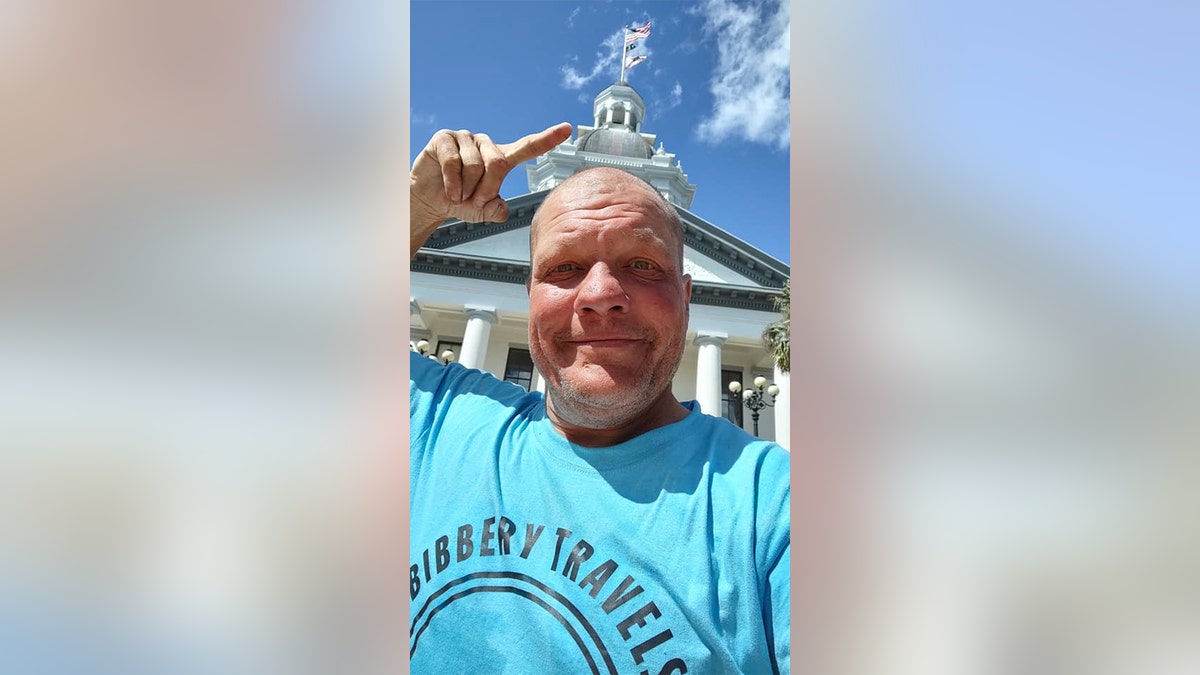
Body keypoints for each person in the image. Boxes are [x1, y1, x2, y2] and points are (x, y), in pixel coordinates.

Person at [409, 124, 791, 674]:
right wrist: (412, 209)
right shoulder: (441, 424)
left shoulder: (772, 508)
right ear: (530, 294)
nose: (600, 297)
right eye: (564, 267)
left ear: (687, 297)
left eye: (642, 264)